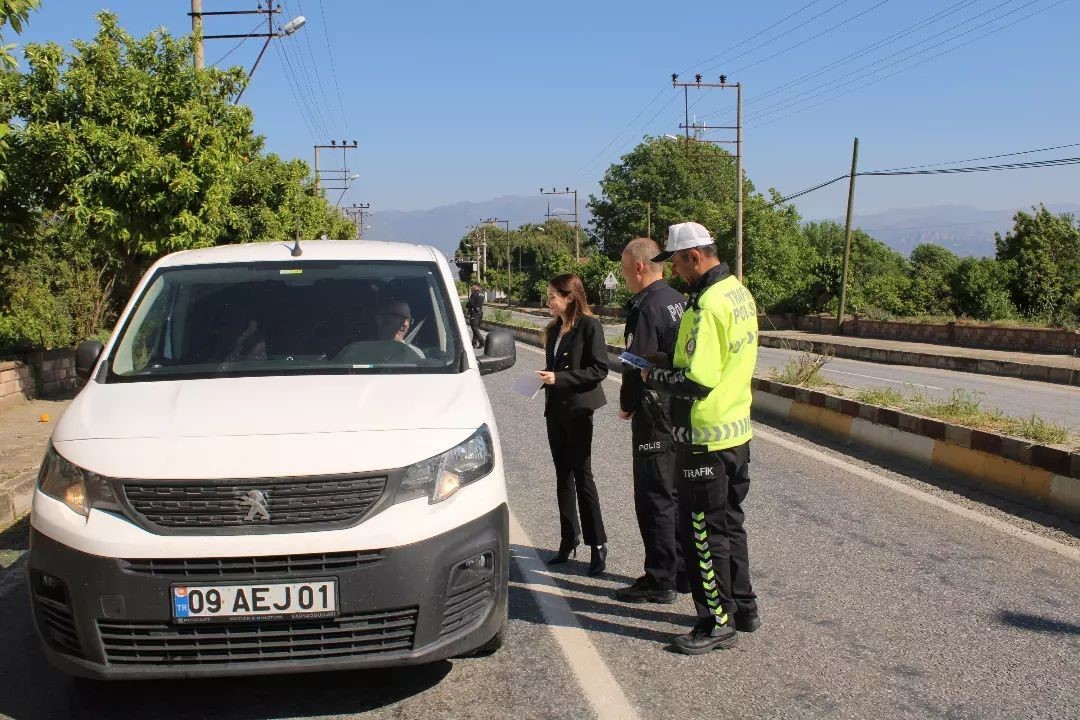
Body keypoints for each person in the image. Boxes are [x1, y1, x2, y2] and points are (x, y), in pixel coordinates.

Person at [643, 221, 760, 655]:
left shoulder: (708, 304)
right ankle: (744, 607)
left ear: (694, 256)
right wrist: (662, 360)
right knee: (730, 522)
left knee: (701, 532)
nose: (674, 271)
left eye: (675, 261)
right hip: (736, 431)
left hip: (703, 435)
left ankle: (716, 620)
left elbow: (698, 378)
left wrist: (652, 374)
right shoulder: (738, 292)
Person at [614, 238, 688, 604]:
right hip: (680, 408)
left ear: (640, 266)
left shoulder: (645, 308)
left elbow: (635, 361)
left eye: (625, 268)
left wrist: (627, 403)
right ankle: (681, 571)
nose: (624, 275)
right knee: (675, 494)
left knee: (654, 496)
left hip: (652, 409)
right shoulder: (678, 300)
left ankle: (661, 579)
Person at [536, 273, 610, 576]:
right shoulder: (553, 330)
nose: (549, 301)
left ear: (570, 296)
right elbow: (554, 367)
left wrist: (560, 378)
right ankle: (569, 538)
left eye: (553, 295)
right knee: (562, 475)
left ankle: (597, 544)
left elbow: (599, 369)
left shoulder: (590, 326)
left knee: (582, 475)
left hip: (579, 410)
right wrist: (542, 378)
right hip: (555, 409)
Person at [466, 284, 485, 349]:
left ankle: (482, 342)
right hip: (480, 312)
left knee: (474, 328)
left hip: (474, 313)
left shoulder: (474, 294)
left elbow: (471, 303)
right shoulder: (482, 294)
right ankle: (474, 343)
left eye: (471, 289)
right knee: (476, 328)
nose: (471, 291)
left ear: (474, 289)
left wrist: (467, 305)